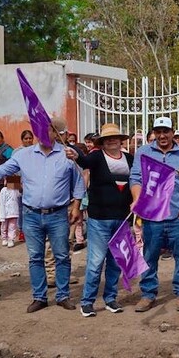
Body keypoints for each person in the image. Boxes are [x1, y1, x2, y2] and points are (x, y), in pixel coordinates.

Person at [0, 120, 85, 313]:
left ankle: (63, 295)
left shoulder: (67, 155)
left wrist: (77, 206)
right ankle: (40, 297)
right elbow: (0, 171)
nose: (42, 134)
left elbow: (78, 183)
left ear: (55, 133)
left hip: (58, 215)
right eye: (39, 131)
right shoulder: (23, 155)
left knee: (62, 256)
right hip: (31, 215)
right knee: (35, 257)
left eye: (48, 131)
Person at [66, 123, 133, 317]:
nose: (111, 141)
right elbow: (83, 161)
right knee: (96, 262)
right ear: (102, 143)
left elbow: (137, 181)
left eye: (115, 137)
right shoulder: (96, 157)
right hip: (99, 219)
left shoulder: (129, 158)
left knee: (115, 262)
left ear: (121, 140)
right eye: (107, 139)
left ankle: (111, 298)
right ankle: (87, 301)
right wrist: (75, 154)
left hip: (122, 219)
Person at [130, 117, 179, 312]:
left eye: (165, 131)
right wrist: (137, 199)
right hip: (152, 217)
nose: (162, 135)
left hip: (177, 216)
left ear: (172, 132)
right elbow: (135, 178)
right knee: (149, 256)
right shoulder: (143, 152)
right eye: (158, 131)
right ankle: (148, 294)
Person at [0, 176, 21, 248]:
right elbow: (1, 203)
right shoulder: (3, 190)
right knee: (4, 226)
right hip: (5, 213)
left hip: (14, 212)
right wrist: (2, 216)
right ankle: (4, 238)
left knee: (12, 227)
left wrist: (19, 187)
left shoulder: (16, 190)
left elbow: (20, 195)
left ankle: (11, 239)